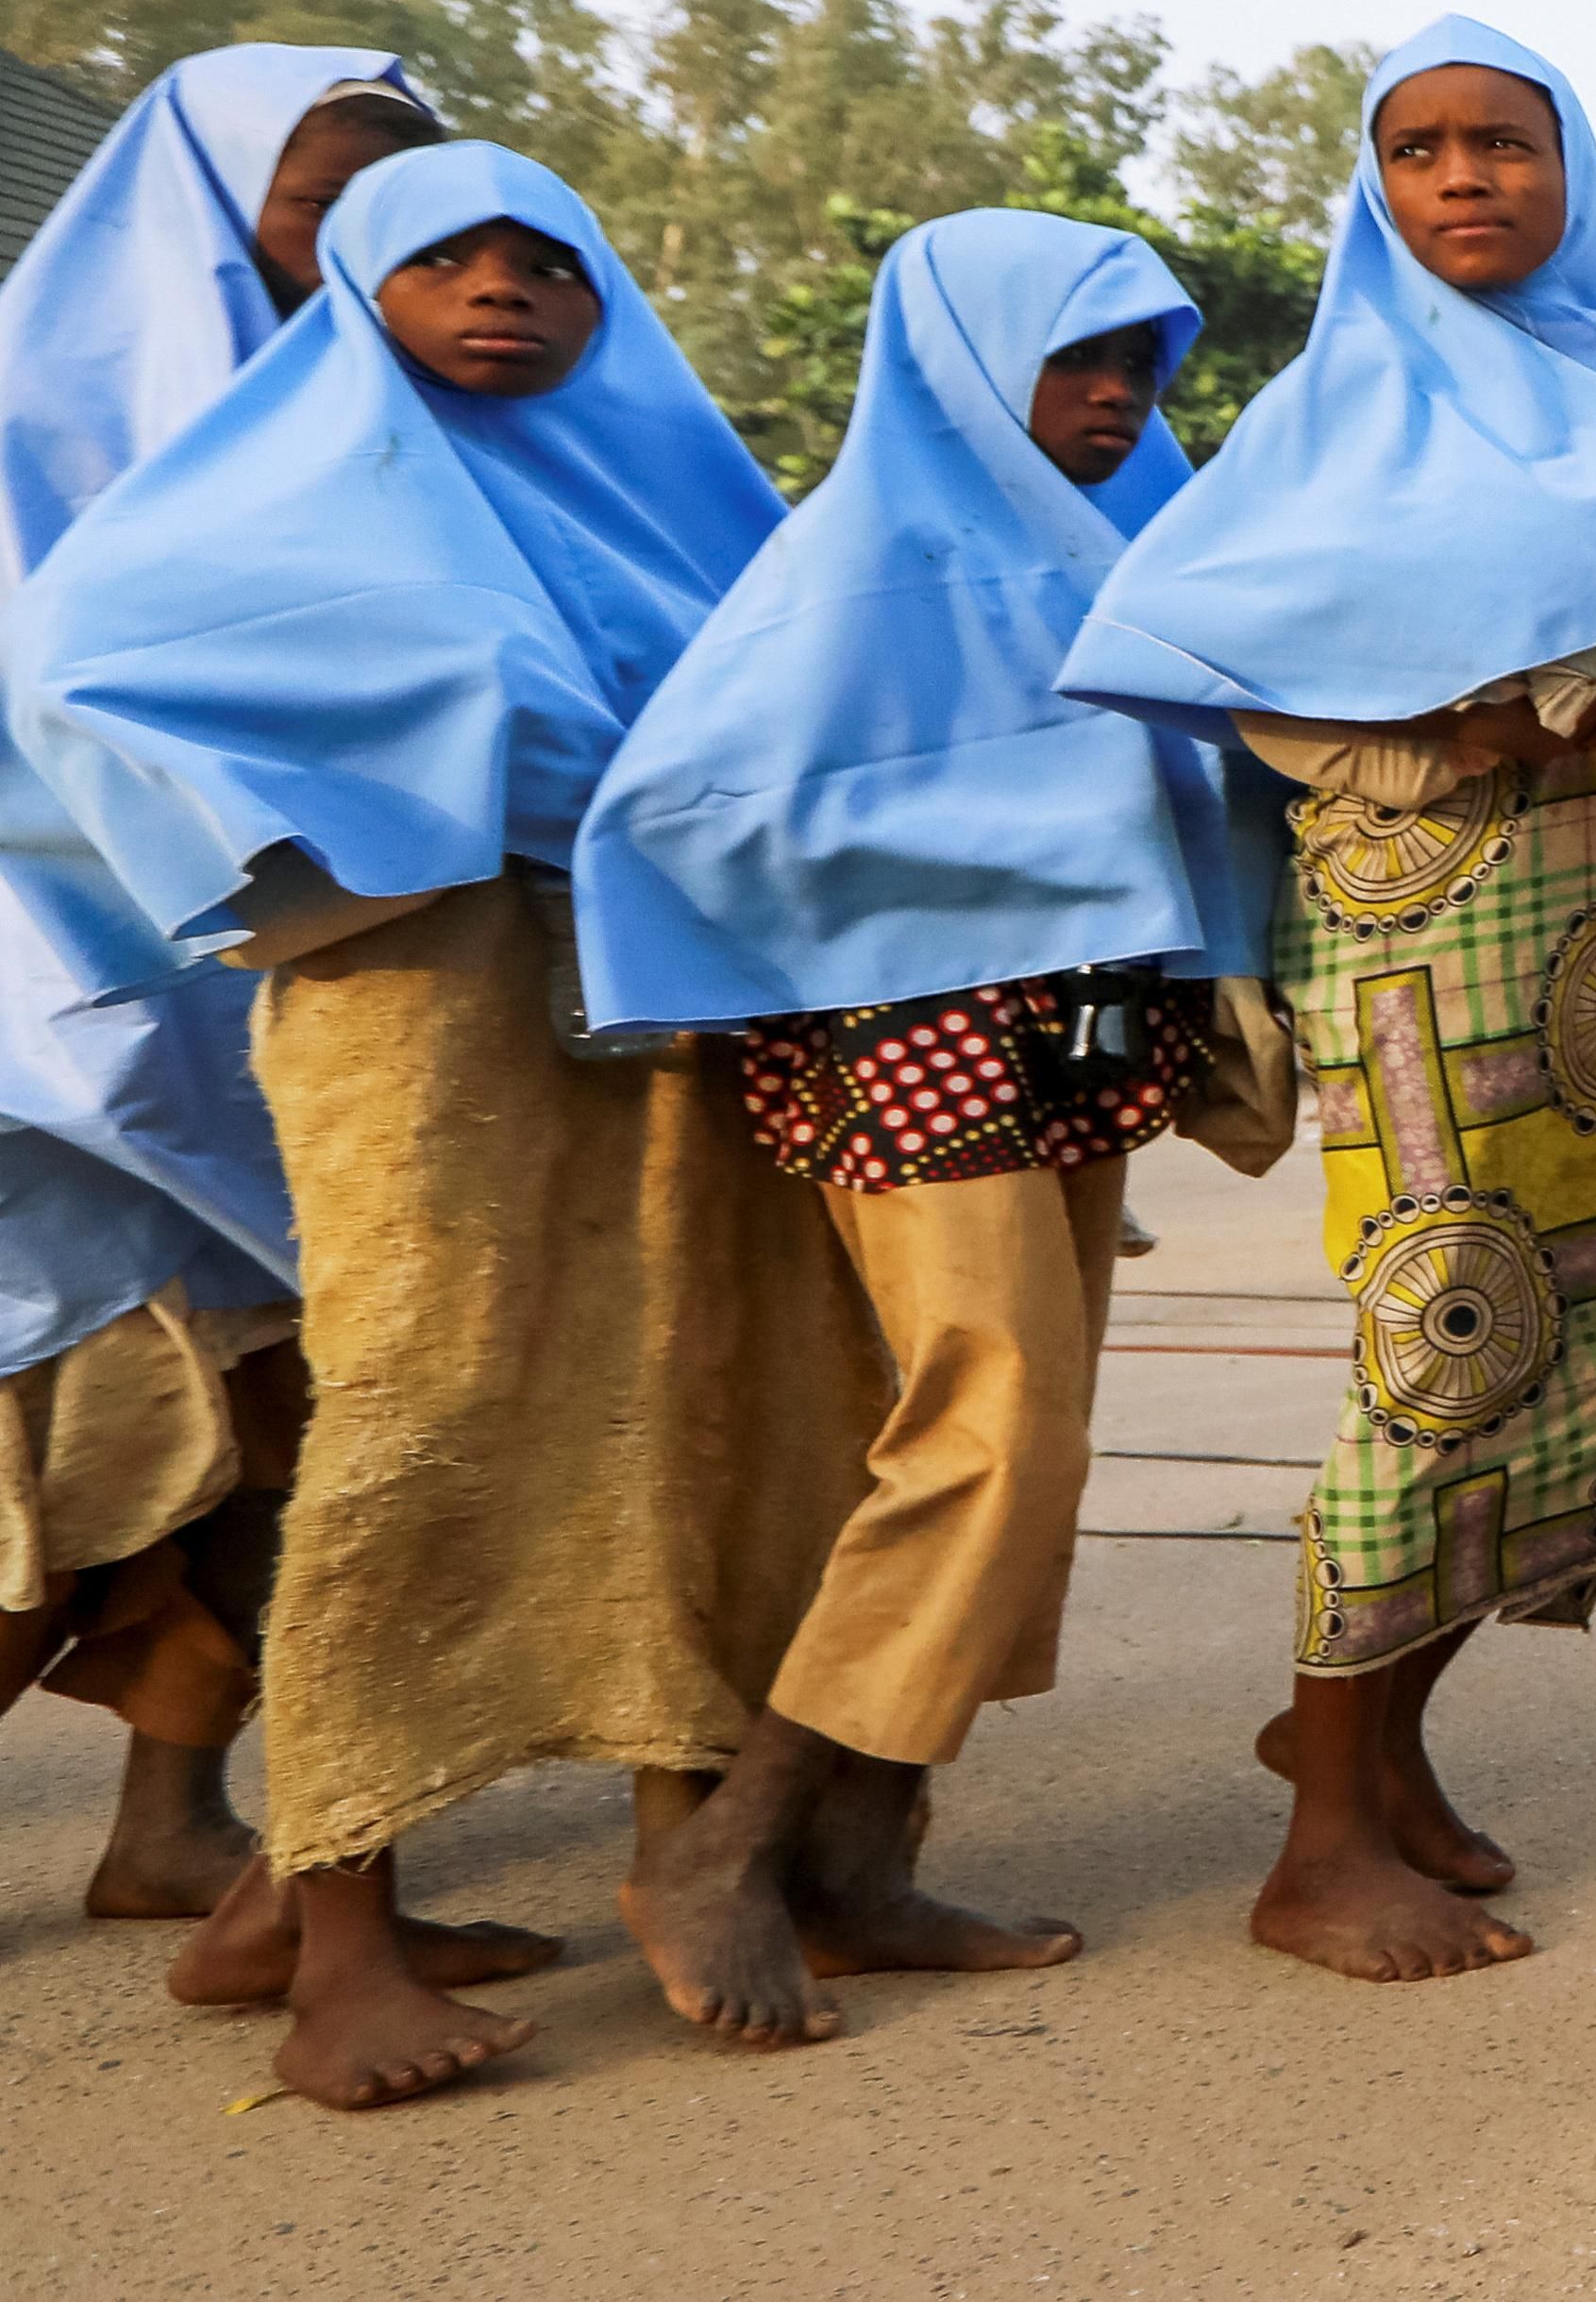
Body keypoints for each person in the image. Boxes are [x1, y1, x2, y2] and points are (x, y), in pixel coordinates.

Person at [8, 140, 880, 2108]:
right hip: (416, 1008)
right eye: (444, 256)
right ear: (361, 292)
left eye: (551, 259)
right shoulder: (258, 493)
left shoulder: (680, 502)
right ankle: (334, 1945)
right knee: (416, 1415)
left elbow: (790, 708)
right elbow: (74, 680)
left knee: (691, 1401)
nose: (504, 287)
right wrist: (388, 817)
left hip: (662, 1018)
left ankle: (659, 1855)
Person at [1061, 14, 1596, 1985]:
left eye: (1500, 143)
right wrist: (1487, 713)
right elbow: (1227, 665)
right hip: (1436, 931)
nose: (1462, 180)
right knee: (1449, 1339)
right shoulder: (1322, 433)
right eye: (1416, 149)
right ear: (1374, 187)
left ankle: (1382, 1752)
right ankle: (1322, 1838)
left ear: (1571, 171)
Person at [571, 210, 1270, 2040]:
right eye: (1079, 357)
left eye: (1143, 366)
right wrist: (1012, 843)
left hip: (1086, 1040)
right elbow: (682, 813)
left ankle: (871, 1859)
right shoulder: (851, 568)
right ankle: (731, 1839)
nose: (1117, 396)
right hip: (922, 1048)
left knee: (1035, 1442)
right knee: (998, 1432)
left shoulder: (1123, 563)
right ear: (963, 360)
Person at [0, 46, 439, 1933]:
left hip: (276, 1016)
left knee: (270, 1446)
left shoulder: (363, 427)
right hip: (57, 1023)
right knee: (68, 1451)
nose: (354, 250)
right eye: (316, 207)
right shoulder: (33, 418)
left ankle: (169, 1814)